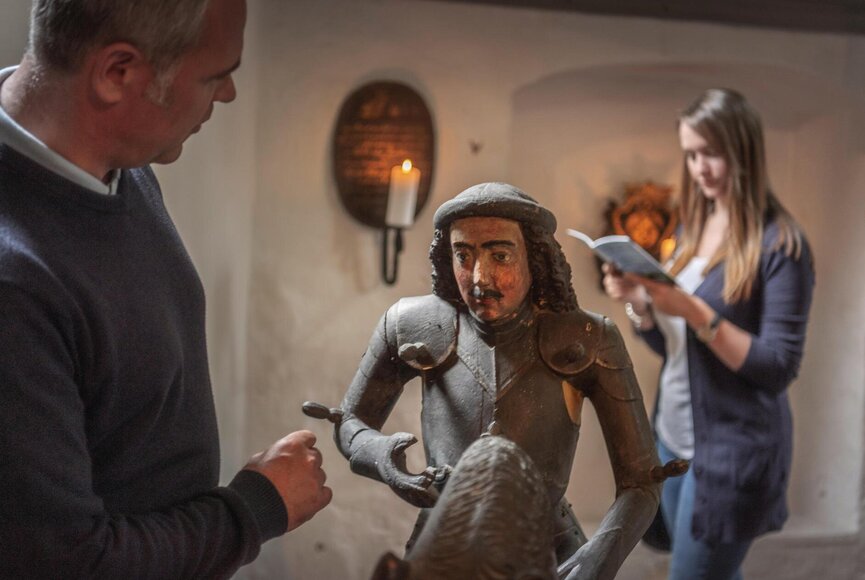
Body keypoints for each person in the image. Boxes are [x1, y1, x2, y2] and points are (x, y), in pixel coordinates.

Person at [0, 1, 331, 578]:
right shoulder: (17, 288)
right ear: (117, 74)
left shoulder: (119, 163)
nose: (227, 94)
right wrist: (257, 506)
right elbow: (66, 562)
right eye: (214, 75)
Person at [306, 183, 684, 580]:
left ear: (534, 258)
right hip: (442, 544)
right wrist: (382, 456)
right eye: (463, 256)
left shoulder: (588, 337)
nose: (479, 278)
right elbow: (350, 422)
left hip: (549, 546)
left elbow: (642, 479)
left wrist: (602, 551)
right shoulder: (411, 324)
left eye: (500, 255)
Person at [602, 88, 815, 580]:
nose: (700, 167)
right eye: (692, 153)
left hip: (731, 455)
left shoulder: (781, 244)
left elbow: (777, 367)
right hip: (673, 441)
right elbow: (678, 352)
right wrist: (640, 303)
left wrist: (696, 312)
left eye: (711, 153)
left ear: (744, 151)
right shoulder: (695, 231)